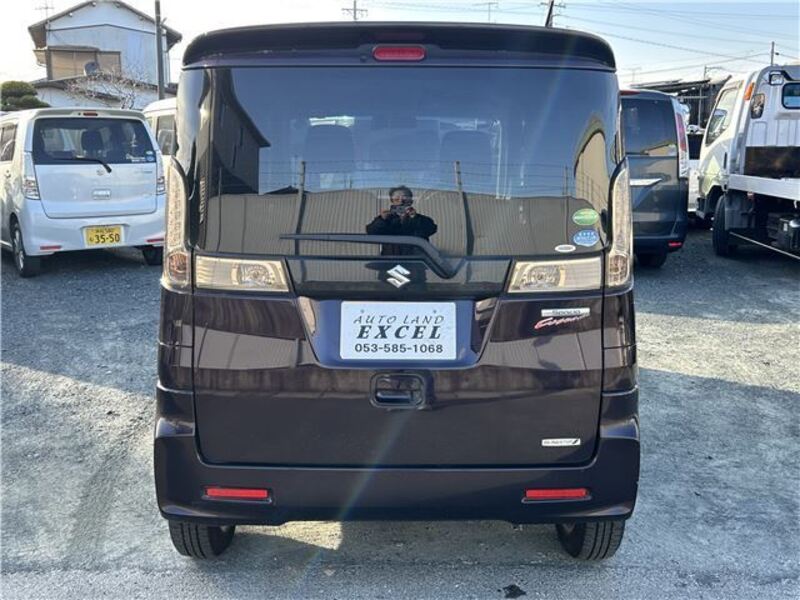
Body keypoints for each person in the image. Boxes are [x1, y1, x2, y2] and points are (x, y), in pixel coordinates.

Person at [366, 186, 437, 256]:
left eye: (404, 198)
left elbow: (431, 229)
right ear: (392, 201)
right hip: (389, 260)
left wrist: (415, 218)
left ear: (411, 201)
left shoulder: (420, 219)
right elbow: (371, 232)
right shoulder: (386, 219)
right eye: (397, 198)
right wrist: (382, 219)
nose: (401, 201)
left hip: (416, 260)